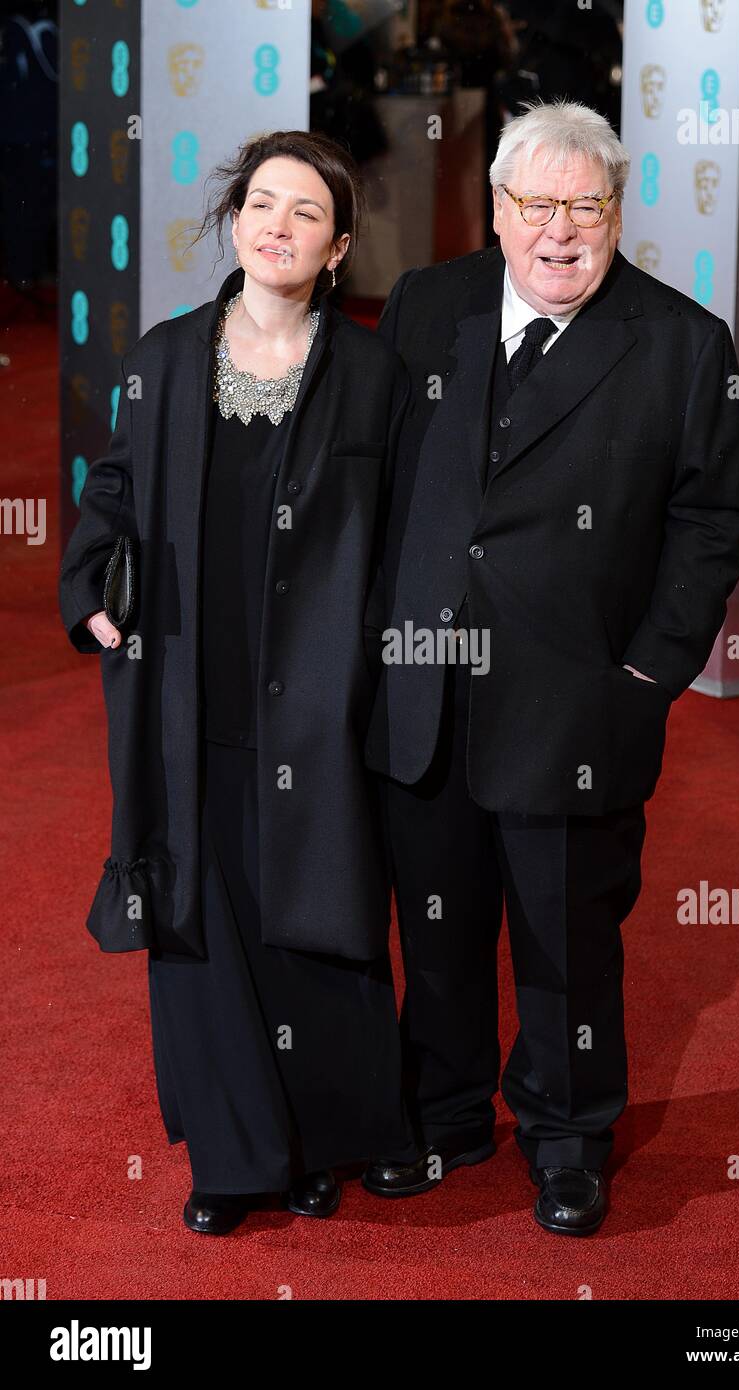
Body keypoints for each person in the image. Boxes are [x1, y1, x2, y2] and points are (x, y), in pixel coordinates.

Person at [362, 100, 739, 1235]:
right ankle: (442, 1115)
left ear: (616, 213)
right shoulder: (426, 307)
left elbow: (715, 519)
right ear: (495, 211)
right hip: (425, 687)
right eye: (534, 205)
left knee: (568, 940)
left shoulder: (683, 344)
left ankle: (568, 1133)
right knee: (435, 927)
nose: (558, 232)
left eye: (585, 207)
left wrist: (643, 679)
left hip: (576, 706)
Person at [58, 130, 416, 1236]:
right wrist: (87, 588)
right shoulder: (166, 356)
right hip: (184, 684)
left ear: (339, 246)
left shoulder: (370, 373)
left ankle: (322, 1143)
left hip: (314, 691)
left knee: (309, 908)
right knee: (199, 912)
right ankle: (232, 1152)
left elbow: (403, 532)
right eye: (262, 203)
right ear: (233, 220)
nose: (278, 225)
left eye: (306, 213)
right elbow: (113, 488)